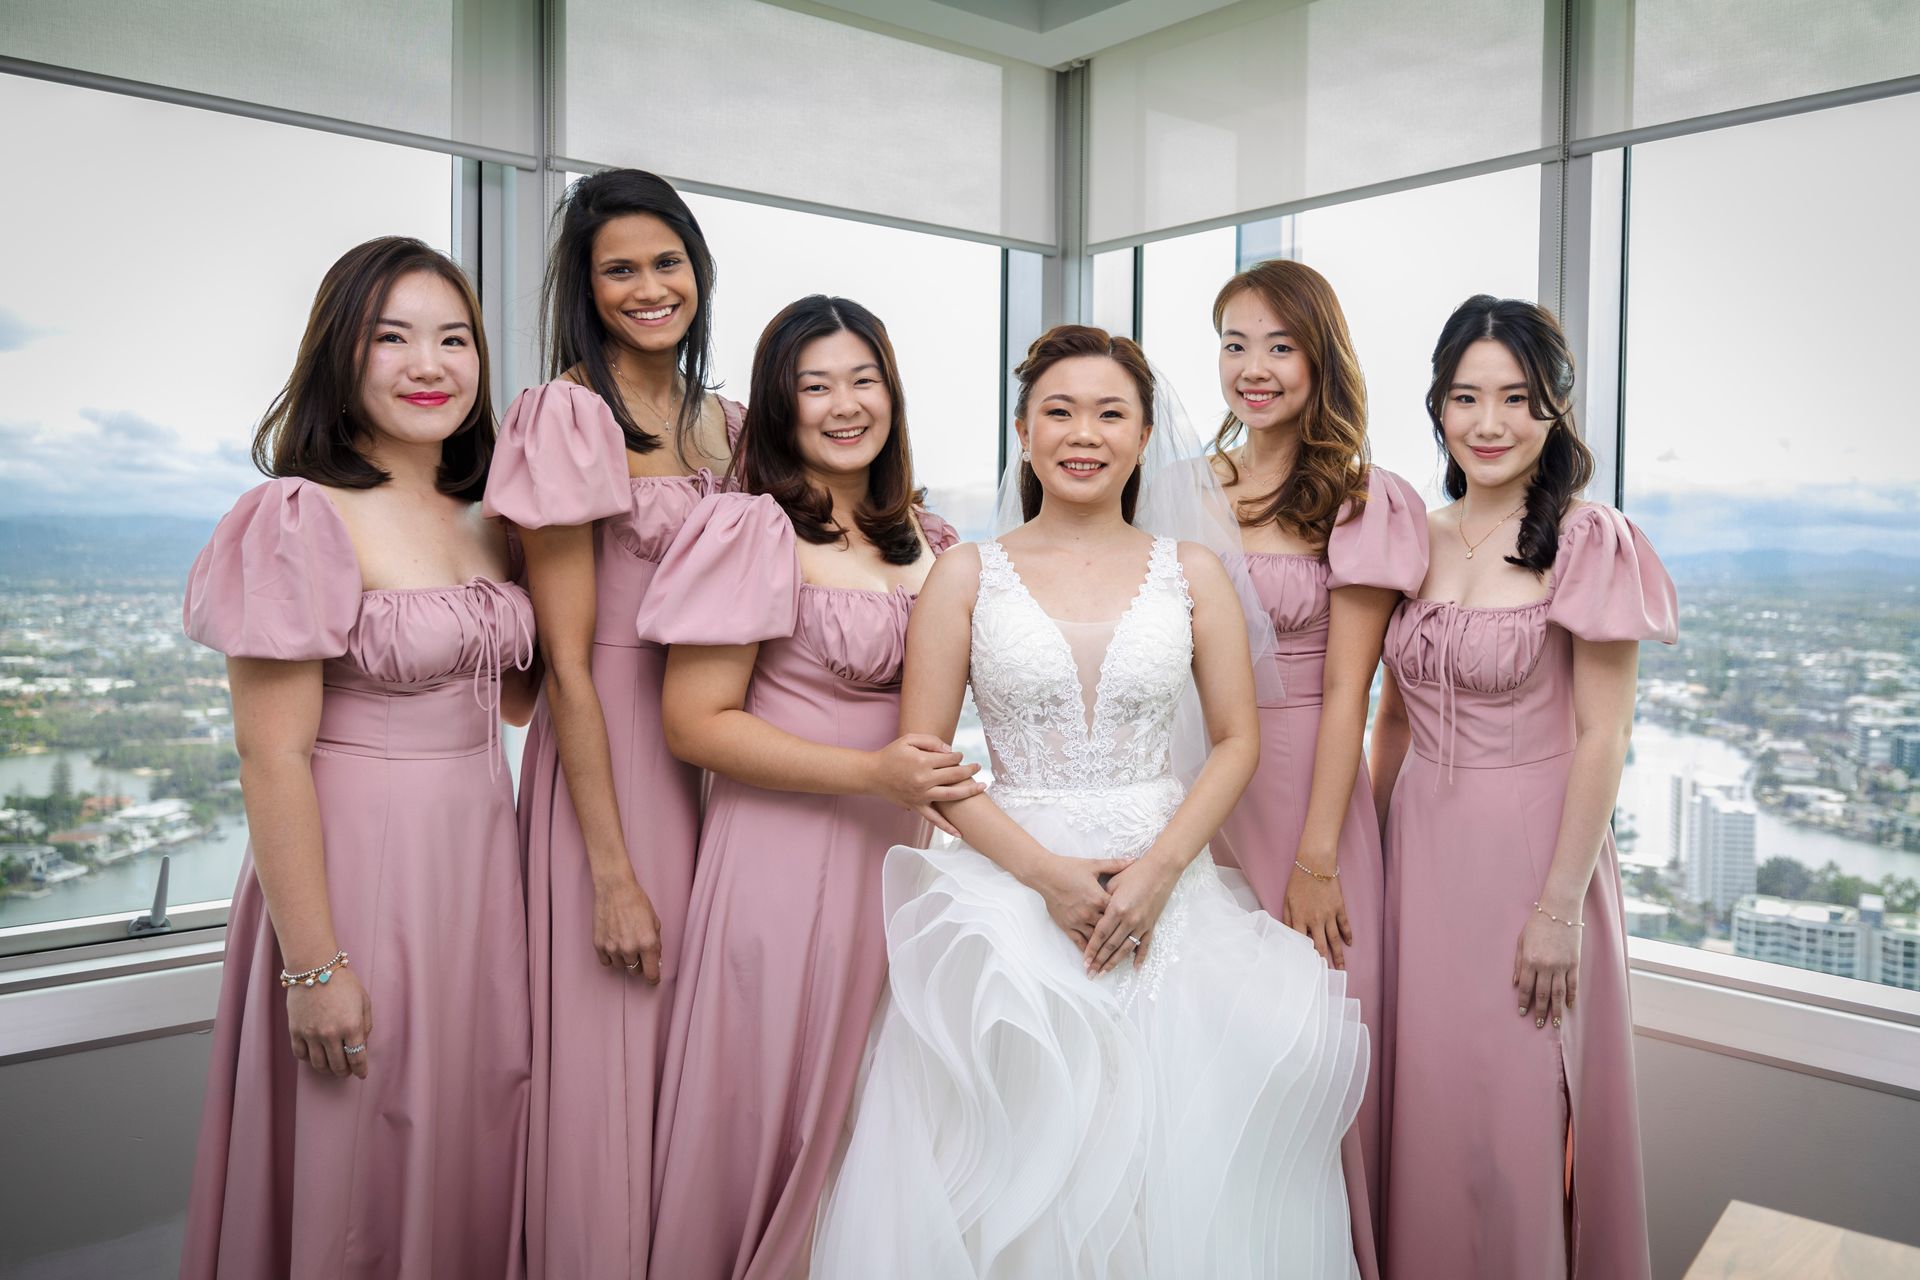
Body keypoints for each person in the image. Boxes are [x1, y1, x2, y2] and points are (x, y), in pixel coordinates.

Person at [813, 324, 1366, 1279]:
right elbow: (926, 762)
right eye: (1059, 412)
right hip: (1011, 897)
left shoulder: (1190, 572)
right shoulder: (965, 572)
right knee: (1015, 1158)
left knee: (1172, 1169)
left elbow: (1238, 740)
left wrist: (1155, 875)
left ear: (1146, 435)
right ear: (1023, 432)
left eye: (1111, 413)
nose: (1084, 433)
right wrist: (1047, 879)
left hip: (1170, 897)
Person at [180, 237, 535, 1279]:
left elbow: (521, 695)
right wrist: (314, 963)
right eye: (393, 337)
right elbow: (270, 756)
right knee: (356, 1153)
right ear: (343, 353)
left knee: (472, 1124)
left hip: (478, 871)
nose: (430, 364)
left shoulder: (489, 518)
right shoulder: (300, 513)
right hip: (354, 879)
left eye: (454, 338)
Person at [639, 296, 972, 1280]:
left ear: (892, 390)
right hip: (779, 868)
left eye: (861, 378)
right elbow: (694, 722)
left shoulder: (933, 539)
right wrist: (868, 771)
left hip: (902, 865)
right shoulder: (749, 529)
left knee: (879, 1132)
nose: (843, 403)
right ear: (779, 406)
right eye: (813, 384)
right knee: (773, 1116)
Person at [1371, 296, 1673, 1279]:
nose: (1489, 422)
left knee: (1518, 1121)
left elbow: (1604, 733)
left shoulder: (1590, 539)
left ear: (1555, 411)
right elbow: (1393, 717)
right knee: (1422, 1111)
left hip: (1532, 863)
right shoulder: (1408, 532)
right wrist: (1365, 859)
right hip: (1418, 859)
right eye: (1466, 397)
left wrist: (1557, 910)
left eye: (1516, 398)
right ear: (1439, 407)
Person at [480, 169, 741, 1277]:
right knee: (615, 1054)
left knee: (708, 1050)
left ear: (699, 269)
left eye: (666, 260)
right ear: (586, 290)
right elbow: (567, 669)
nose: (649, 286)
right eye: (619, 268)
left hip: (728, 758)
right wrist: (608, 870)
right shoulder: (566, 415)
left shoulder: (730, 420)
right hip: (617, 764)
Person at [1209, 260, 1428, 1277]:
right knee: (1217, 1058)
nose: (1253, 368)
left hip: (1309, 793)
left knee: (1314, 1058)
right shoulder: (1186, 487)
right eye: (1234, 343)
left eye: (1278, 345)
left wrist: (1319, 853)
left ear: (1319, 356)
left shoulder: (1359, 499)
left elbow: (1353, 692)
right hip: (1203, 786)